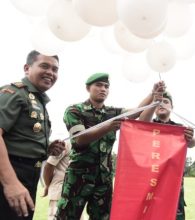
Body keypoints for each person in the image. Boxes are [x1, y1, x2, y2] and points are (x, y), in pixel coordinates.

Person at [55, 73, 165, 220]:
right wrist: (108, 127)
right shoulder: (75, 110)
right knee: (67, 216)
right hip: (78, 178)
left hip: (103, 179)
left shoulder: (112, 112)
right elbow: (79, 139)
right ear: (88, 88)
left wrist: (152, 94)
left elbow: (137, 112)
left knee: (103, 217)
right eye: (99, 85)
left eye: (106, 86)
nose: (103, 89)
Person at [0, 50, 65, 219]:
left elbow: (19, 139)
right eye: (44, 66)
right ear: (27, 68)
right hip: (11, 174)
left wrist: (47, 148)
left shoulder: (37, 101)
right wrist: (11, 183)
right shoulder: (14, 93)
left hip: (30, 175)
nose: (50, 72)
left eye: (55, 69)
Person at [140, 91, 195, 220]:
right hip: (151, 183)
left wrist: (190, 137)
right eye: (158, 102)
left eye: (166, 102)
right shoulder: (147, 126)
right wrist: (154, 101)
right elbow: (142, 120)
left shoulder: (179, 128)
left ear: (172, 107)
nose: (162, 104)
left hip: (173, 184)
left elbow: (192, 143)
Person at [42, 142, 83, 220]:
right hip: (60, 193)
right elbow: (48, 166)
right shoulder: (65, 144)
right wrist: (48, 185)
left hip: (76, 196)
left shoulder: (89, 144)